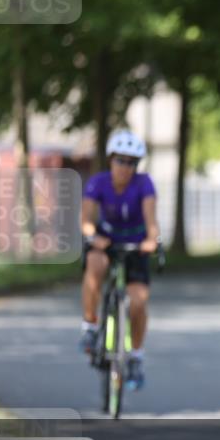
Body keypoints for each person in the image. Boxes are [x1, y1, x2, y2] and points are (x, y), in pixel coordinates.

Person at [79, 130, 160, 390]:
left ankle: (135, 357)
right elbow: (86, 221)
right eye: (120, 161)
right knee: (95, 265)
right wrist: (94, 236)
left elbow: (152, 222)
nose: (125, 167)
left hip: (136, 246)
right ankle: (90, 324)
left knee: (138, 302)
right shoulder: (98, 182)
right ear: (111, 160)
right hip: (106, 242)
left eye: (131, 162)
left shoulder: (144, 183)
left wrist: (151, 240)